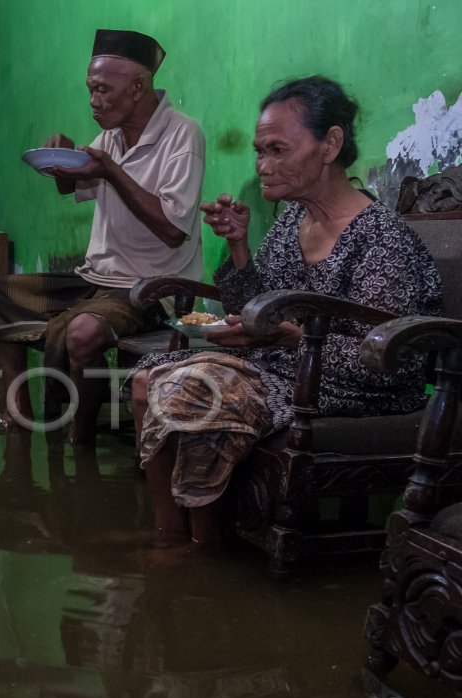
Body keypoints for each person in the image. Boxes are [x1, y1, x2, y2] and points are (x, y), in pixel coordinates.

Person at [129, 76, 442, 545]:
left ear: (330, 144)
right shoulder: (293, 219)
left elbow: (388, 361)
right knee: (144, 380)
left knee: (193, 394)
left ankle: (202, 550)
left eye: (277, 150)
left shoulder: (382, 239)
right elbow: (255, 310)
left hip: (355, 390)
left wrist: (292, 339)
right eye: (260, 152)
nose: (263, 166)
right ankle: (168, 533)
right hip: (283, 367)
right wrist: (238, 247)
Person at [0, 29, 206, 442]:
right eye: (90, 90)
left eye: (102, 91)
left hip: (153, 288)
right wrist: (62, 167)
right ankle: (15, 412)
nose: (93, 102)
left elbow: (173, 230)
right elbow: (77, 187)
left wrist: (110, 171)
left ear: (138, 87)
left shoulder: (182, 135)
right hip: (97, 280)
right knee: (1, 294)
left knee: (82, 333)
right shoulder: (112, 136)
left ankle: (78, 439)